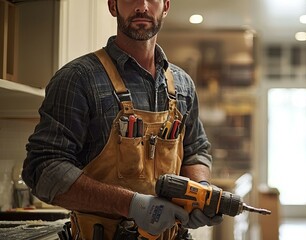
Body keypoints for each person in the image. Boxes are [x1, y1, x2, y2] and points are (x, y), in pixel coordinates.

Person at [21, 0, 222, 239]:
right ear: (113, 6)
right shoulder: (78, 79)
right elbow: (43, 170)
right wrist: (132, 205)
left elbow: (196, 149)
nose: (142, 7)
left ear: (166, 6)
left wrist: (198, 192)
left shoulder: (183, 85)